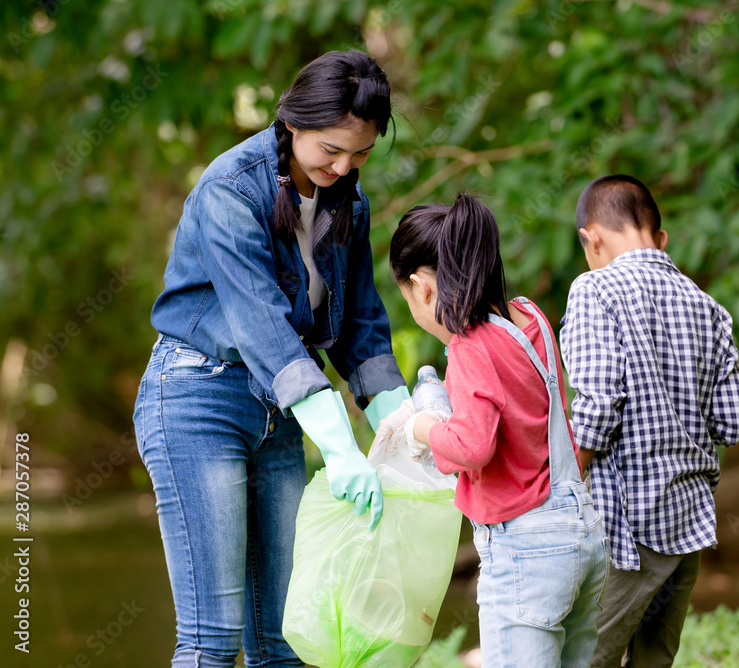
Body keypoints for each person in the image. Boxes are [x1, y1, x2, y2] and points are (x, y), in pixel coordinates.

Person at [132, 50, 411, 667]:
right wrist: (340, 448)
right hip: (196, 400)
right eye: (331, 150)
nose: (343, 167)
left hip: (278, 409)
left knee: (283, 637)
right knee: (212, 637)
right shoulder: (230, 189)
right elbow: (262, 326)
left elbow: (360, 325)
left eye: (361, 153)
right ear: (292, 123)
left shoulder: (349, 206)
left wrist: (404, 426)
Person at [388, 193, 609, 667]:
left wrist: (422, 426)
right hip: (582, 533)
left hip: (526, 546)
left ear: (421, 287)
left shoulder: (469, 348)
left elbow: (473, 446)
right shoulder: (530, 317)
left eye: (408, 296)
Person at [560, 175, 739, 667]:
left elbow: (599, 404)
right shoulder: (707, 307)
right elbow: (736, 420)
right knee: (654, 660)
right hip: (689, 520)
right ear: (661, 238)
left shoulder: (595, 288)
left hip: (625, 527)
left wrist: (561, 483)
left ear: (592, 238)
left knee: (583, 658)